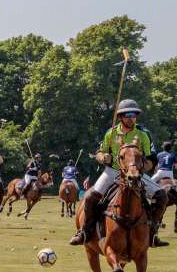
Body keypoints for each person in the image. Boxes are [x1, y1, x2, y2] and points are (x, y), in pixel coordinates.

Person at [69, 99, 162, 246]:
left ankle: (152, 233)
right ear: (120, 117)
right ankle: (85, 232)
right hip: (112, 171)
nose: (132, 118)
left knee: (162, 195)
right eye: (128, 115)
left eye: (134, 115)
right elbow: (100, 152)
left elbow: (152, 159)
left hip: (135, 173)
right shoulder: (111, 133)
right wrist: (103, 157)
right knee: (91, 197)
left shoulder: (143, 134)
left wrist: (137, 169)